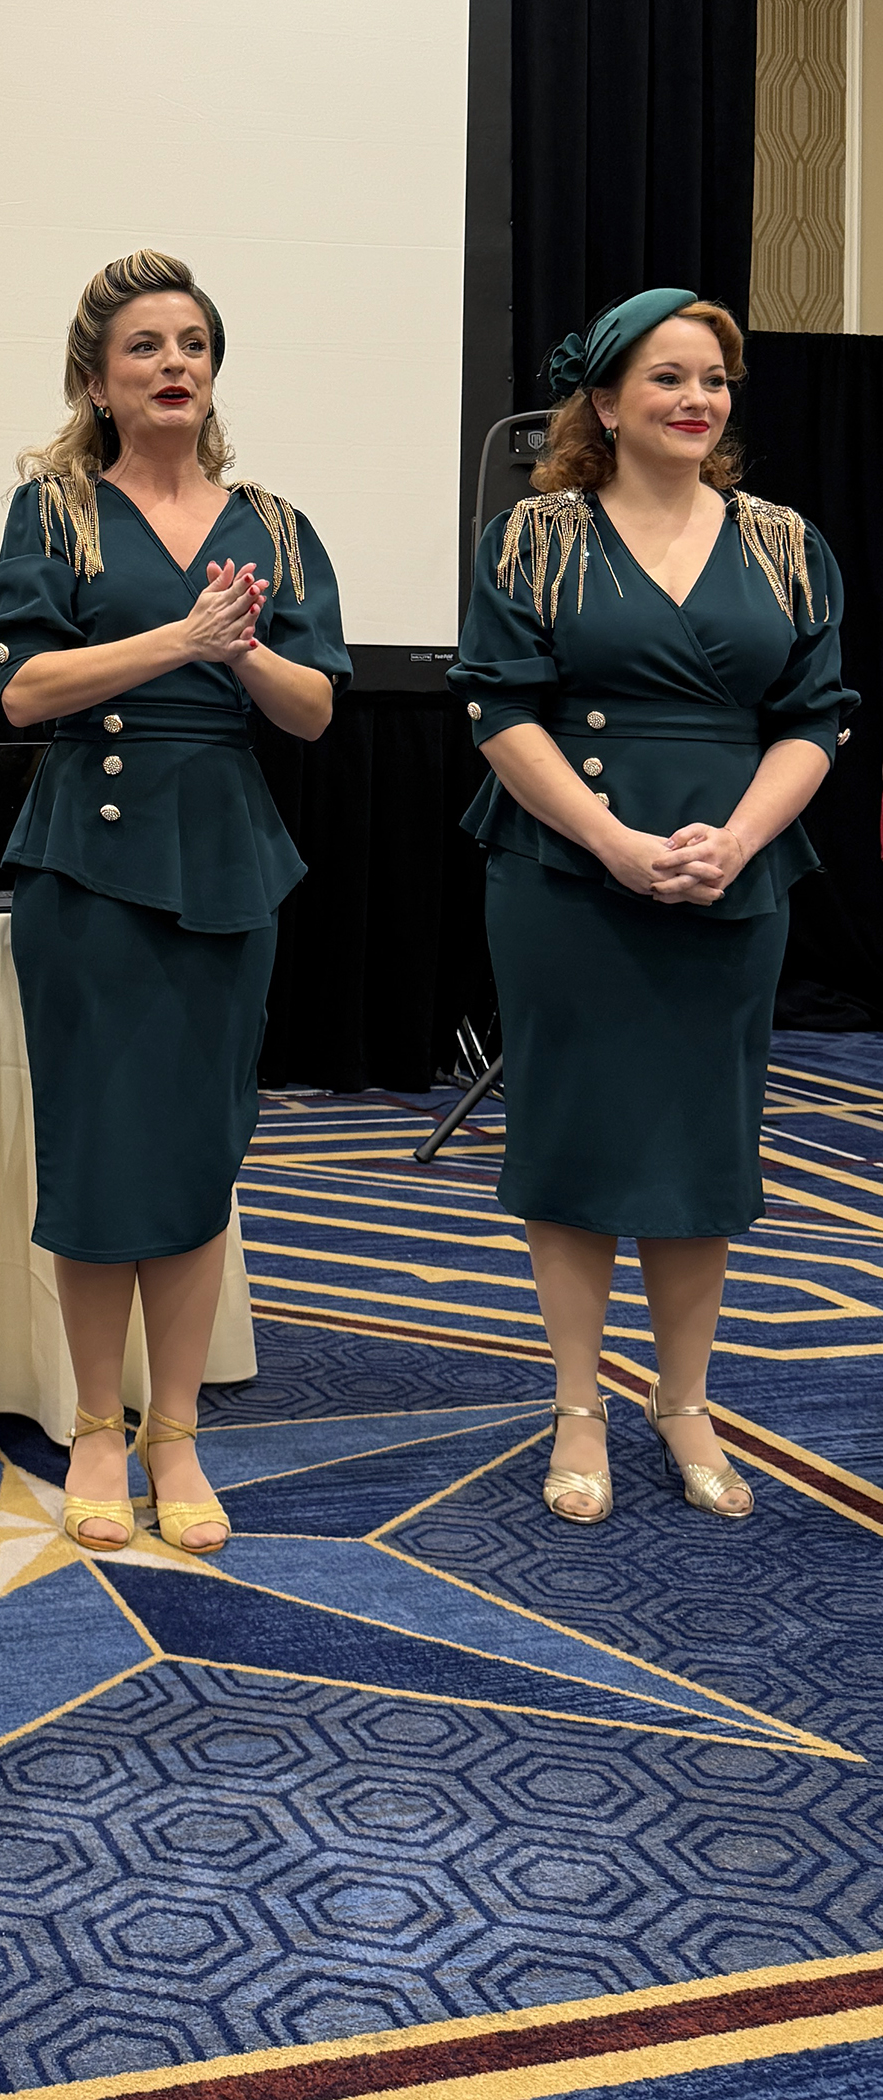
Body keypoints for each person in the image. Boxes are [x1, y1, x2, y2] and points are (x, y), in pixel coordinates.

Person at [450, 288, 854, 1525]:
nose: (696, 400)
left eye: (715, 382)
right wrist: (616, 841)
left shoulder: (786, 540)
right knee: (573, 1137)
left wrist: (734, 838)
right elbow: (499, 712)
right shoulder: (537, 538)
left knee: (701, 1142)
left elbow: (816, 717)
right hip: (571, 873)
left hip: (735, 875)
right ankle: (579, 1403)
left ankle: (685, 1401)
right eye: (669, 377)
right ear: (608, 401)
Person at [0, 250, 349, 1554]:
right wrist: (178, 640)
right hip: (88, 859)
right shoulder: (56, 512)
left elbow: (314, 710)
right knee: (96, 1153)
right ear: (96, 379)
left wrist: (240, 652)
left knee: (195, 1153)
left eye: (191, 342)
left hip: (225, 855)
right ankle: (94, 1425)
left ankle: (176, 1434)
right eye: (143, 347)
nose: (172, 363)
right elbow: (24, 691)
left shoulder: (276, 526)